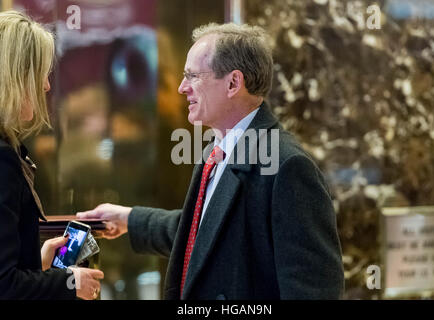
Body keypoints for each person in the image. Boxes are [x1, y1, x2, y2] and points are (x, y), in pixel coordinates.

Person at [78, 23, 344, 299]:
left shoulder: (288, 166)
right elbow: (205, 232)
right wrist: (128, 220)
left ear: (233, 83)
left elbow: (314, 291)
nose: (182, 88)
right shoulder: (216, 149)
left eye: (192, 76)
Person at [0, 10, 103, 300]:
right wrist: (69, 283)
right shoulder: (3, 160)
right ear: (16, 77)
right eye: (41, 74)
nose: (46, 85)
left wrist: (34, 258)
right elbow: (5, 285)